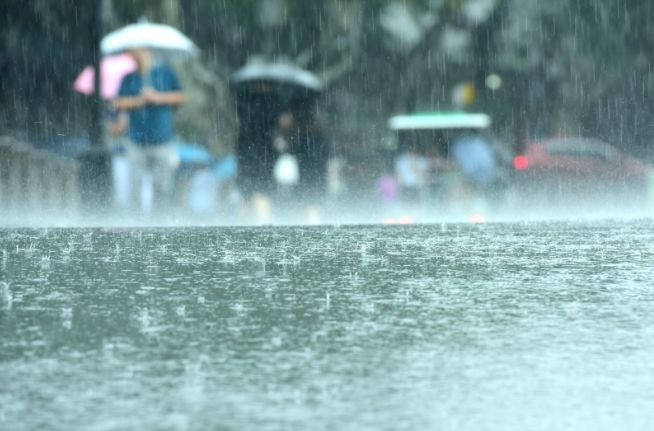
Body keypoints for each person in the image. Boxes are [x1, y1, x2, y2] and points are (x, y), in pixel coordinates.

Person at [113, 47, 184, 217]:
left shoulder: (165, 72)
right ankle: (137, 223)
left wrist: (157, 97)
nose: (131, 55)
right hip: (135, 141)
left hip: (162, 139)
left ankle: (159, 223)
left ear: (145, 50)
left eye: (134, 50)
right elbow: (118, 103)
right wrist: (139, 101)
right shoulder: (128, 78)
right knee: (135, 186)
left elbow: (180, 97)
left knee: (162, 186)